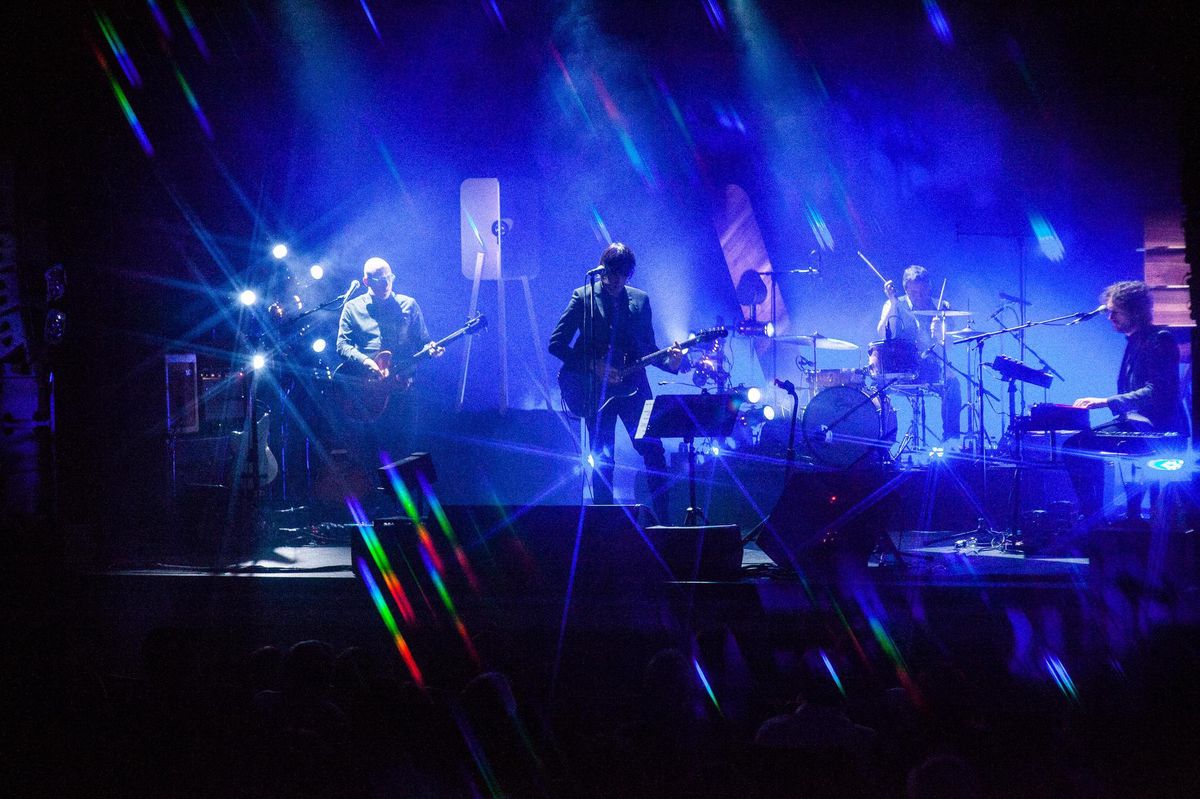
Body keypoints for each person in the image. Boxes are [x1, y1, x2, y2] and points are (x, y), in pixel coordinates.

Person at [549, 243, 682, 523]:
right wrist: (593, 365)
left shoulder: (640, 301)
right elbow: (556, 344)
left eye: (624, 275)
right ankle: (603, 526)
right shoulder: (583, 297)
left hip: (635, 388)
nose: (617, 280)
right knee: (602, 458)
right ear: (602, 269)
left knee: (653, 450)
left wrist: (671, 363)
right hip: (595, 391)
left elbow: (648, 348)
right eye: (612, 274)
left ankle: (665, 521)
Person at [1067, 280, 1188, 521]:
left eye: (1116, 311)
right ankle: (1101, 517)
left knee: (1076, 446)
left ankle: (1094, 518)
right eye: (1109, 311)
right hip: (1140, 425)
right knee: (1078, 445)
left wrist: (1105, 401)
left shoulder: (1159, 340)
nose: (1110, 317)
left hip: (1160, 429)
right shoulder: (1135, 341)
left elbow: (1156, 392)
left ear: (1135, 311)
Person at [335, 257, 443, 473]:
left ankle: (403, 493)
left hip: (402, 387)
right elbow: (342, 345)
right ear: (366, 282)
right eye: (379, 280)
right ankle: (375, 490)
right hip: (369, 392)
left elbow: (423, 341)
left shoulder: (408, 305)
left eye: (389, 277)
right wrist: (366, 361)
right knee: (373, 453)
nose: (386, 283)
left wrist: (431, 349)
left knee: (405, 452)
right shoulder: (352, 308)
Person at [875, 264, 963, 442]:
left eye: (923, 292)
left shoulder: (941, 306)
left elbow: (950, 346)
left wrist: (940, 334)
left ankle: (951, 441)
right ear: (906, 289)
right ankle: (883, 441)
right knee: (878, 388)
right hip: (901, 370)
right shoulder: (894, 304)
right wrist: (893, 303)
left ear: (929, 288)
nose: (919, 297)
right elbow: (883, 334)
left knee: (953, 385)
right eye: (914, 292)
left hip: (931, 369)